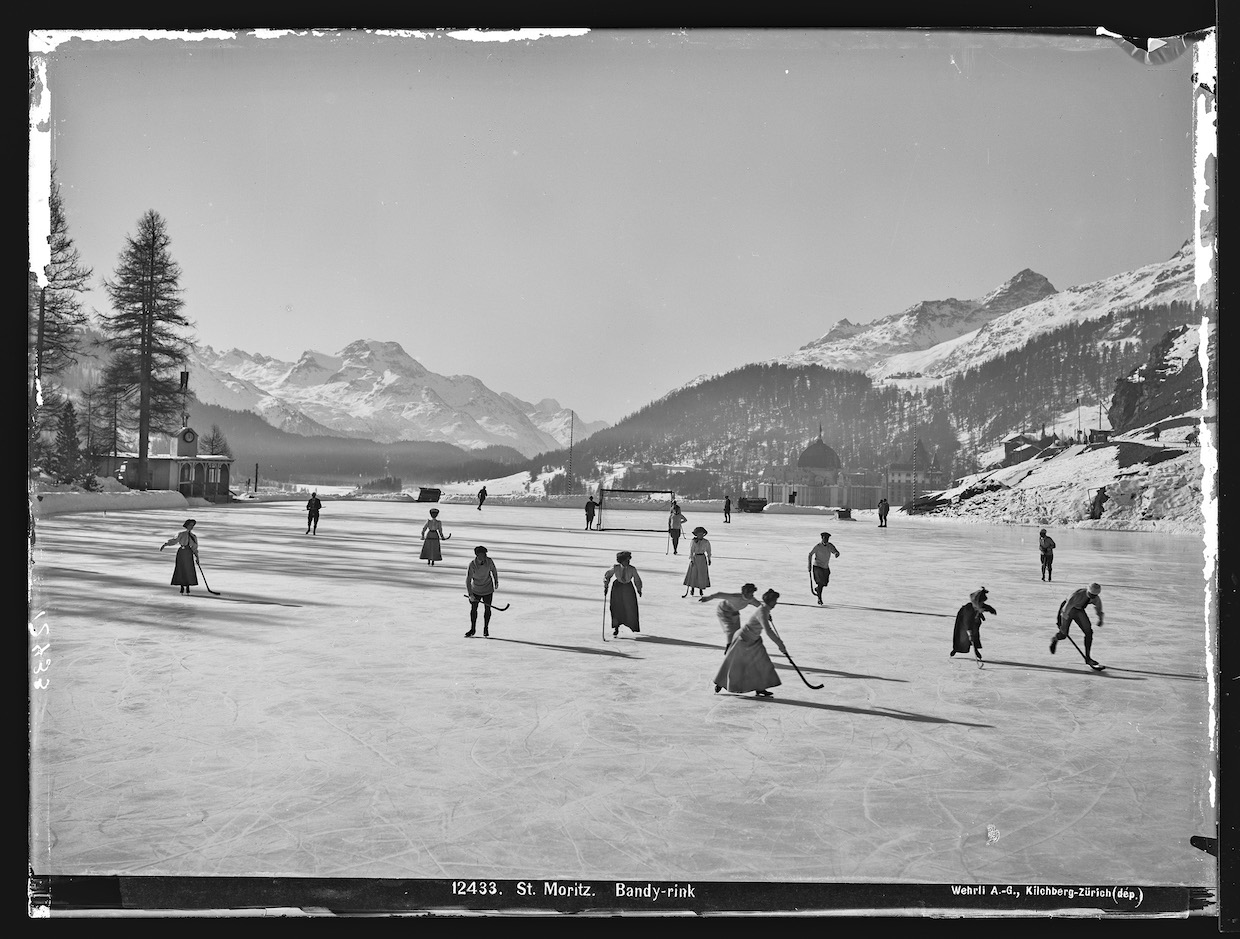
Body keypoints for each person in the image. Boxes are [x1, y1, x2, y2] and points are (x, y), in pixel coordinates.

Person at [714, 588, 787, 697]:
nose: (776, 603)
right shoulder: (762, 612)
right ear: (770, 601)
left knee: (763, 664)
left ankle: (760, 688)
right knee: (735, 665)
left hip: (754, 640)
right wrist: (780, 645)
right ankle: (720, 682)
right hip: (743, 639)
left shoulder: (765, 610)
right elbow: (768, 631)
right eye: (774, 601)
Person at [1051, 582, 1104, 665]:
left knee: (1089, 632)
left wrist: (1100, 619)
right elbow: (1065, 611)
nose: (1092, 597)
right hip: (1068, 609)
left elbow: (1099, 609)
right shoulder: (1077, 595)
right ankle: (1055, 638)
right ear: (1088, 591)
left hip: (1079, 610)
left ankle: (1088, 657)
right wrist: (1062, 625)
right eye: (1091, 595)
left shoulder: (1096, 598)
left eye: (1094, 596)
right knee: (1063, 634)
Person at [699, 583, 760, 652]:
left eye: (752, 593)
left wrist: (766, 614)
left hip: (734, 613)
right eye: (750, 593)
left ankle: (736, 649)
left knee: (737, 633)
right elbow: (719, 594)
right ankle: (729, 649)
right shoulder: (735, 597)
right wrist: (708, 598)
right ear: (745, 593)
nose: (752, 595)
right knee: (730, 631)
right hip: (723, 612)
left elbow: (759, 606)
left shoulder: (751, 599)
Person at [603, 550, 643, 637]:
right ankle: (616, 626)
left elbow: (637, 579)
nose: (628, 562)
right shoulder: (616, 567)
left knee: (630, 607)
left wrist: (639, 589)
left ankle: (631, 625)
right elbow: (608, 575)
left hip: (628, 588)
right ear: (621, 561)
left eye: (629, 560)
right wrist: (606, 585)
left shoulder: (632, 569)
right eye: (626, 561)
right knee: (616, 607)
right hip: (617, 588)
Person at [951, 587, 997, 662]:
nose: (982, 604)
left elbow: (985, 607)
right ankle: (956, 649)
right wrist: (969, 633)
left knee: (975, 636)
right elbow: (967, 623)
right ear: (976, 602)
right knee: (963, 637)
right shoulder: (968, 610)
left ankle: (975, 650)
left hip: (975, 622)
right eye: (981, 602)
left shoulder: (978, 605)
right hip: (964, 623)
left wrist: (991, 610)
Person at [465, 545, 500, 637]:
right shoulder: (472, 564)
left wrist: (496, 581)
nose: (483, 557)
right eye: (481, 555)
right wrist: (470, 594)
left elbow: (494, 571)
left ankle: (486, 628)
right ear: (477, 555)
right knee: (473, 609)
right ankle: (472, 629)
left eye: (484, 554)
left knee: (487, 609)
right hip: (476, 589)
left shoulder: (489, 561)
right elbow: (468, 580)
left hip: (488, 588)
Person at [160, 518, 199, 595]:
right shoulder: (181, 534)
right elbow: (174, 540)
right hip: (181, 553)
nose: (191, 527)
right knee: (181, 569)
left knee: (188, 569)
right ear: (186, 525)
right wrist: (165, 544)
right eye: (190, 525)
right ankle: (182, 586)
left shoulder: (193, 536)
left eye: (192, 525)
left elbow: (194, 547)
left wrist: (197, 557)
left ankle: (187, 586)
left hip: (188, 553)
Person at [807, 531, 841, 605]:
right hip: (817, 566)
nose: (826, 540)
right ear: (822, 538)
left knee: (824, 583)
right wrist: (809, 565)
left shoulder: (830, 546)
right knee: (820, 582)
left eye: (827, 538)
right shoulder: (818, 546)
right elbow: (810, 554)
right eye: (824, 538)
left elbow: (835, 551)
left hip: (825, 567)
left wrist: (836, 553)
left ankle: (818, 589)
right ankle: (819, 598)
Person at [683, 526, 712, 595]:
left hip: (702, 558)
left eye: (701, 534)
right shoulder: (693, 541)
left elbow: (709, 551)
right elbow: (691, 551)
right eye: (699, 534)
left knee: (702, 574)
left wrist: (709, 559)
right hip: (695, 558)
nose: (700, 535)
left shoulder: (706, 542)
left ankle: (701, 589)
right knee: (693, 574)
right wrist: (692, 559)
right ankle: (692, 588)